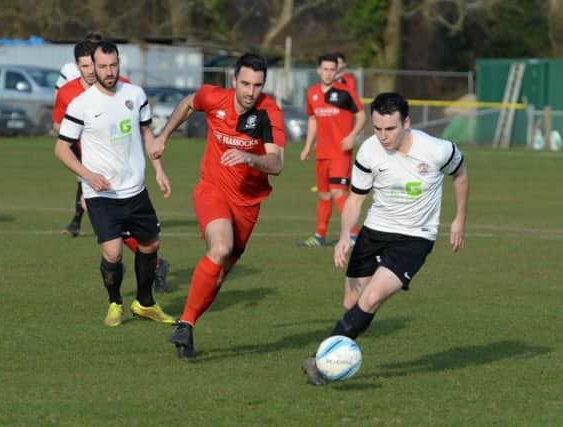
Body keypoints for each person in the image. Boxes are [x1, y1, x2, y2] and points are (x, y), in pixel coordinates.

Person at [301, 92, 469, 385]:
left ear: (406, 122)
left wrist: (459, 219)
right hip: (374, 232)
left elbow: (461, 175)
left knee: (372, 297)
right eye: (377, 128)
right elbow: (355, 199)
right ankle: (334, 350)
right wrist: (343, 237)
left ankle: (321, 362)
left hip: (414, 239)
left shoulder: (437, 150)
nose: (383, 136)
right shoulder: (368, 151)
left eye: (389, 129)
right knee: (352, 301)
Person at [151, 53, 285, 360]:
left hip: (249, 203)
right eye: (246, 83)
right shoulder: (213, 97)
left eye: (258, 85)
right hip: (212, 188)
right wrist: (163, 136)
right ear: (234, 80)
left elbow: (276, 163)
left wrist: (250, 157)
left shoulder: (268, 112)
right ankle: (184, 323)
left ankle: (187, 325)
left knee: (220, 273)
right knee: (220, 247)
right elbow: (187, 103)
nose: (251, 91)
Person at [54, 40, 175, 327]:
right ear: (92, 68)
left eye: (113, 65)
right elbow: (61, 149)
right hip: (101, 192)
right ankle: (115, 302)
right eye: (103, 66)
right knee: (113, 252)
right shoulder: (81, 104)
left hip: (135, 188)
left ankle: (145, 303)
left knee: (150, 244)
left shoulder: (135, 94)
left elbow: (147, 133)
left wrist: (159, 169)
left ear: (119, 63)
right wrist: (87, 175)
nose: (109, 71)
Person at [298, 53, 366, 247]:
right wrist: (307, 147)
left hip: (340, 153)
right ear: (319, 70)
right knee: (324, 196)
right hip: (321, 153)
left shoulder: (345, 92)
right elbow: (312, 120)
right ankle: (319, 236)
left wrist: (353, 136)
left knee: (338, 193)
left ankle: (353, 235)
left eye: (332, 70)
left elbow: (361, 116)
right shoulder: (311, 93)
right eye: (325, 69)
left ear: (337, 71)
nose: (328, 73)